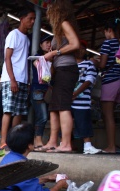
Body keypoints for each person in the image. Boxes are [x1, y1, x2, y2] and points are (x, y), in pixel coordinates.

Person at [0, 123, 71, 191]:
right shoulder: (22, 166)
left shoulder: (9, 158)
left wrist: (46, 178)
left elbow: (23, 183)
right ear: (29, 146)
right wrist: (60, 185)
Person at [40, 0, 80, 153]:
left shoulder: (64, 23)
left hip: (67, 69)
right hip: (60, 70)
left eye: (50, 11)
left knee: (63, 106)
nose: (48, 15)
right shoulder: (59, 29)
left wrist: (54, 52)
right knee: (54, 107)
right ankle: (52, 141)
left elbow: (75, 44)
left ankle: (66, 143)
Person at [0, 8, 36, 151]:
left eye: (34, 20)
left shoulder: (26, 38)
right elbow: (7, 58)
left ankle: (13, 141)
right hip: (11, 78)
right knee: (8, 110)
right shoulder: (13, 34)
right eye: (30, 18)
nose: (32, 22)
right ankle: (3, 141)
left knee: (18, 112)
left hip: (23, 80)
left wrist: (26, 81)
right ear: (22, 18)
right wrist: (13, 79)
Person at [72, 40, 101, 154]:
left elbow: (89, 80)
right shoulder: (69, 64)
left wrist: (75, 93)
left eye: (83, 48)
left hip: (82, 101)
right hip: (69, 100)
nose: (80, 50)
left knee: (83, 122)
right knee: (68, 124)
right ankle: (68, 145)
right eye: (78, 47)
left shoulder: (89, 64)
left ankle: (87, 145)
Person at [98, 19, 120, 154]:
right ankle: (113, 145)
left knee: (108, 115)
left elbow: (102, 64)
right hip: (119, 79)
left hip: (110, 80)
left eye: (105, 32)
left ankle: (111, 146)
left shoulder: (107, 43)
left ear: (109, 30)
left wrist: (94, 62)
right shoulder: (119, 43)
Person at [31, 34, 53, 149]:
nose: (49, 44)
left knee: (49, 116)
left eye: (50, 42)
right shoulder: (36, 57)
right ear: (40, 45)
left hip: (48, 90)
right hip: (38, 89)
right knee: (42, 116)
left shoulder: (53, 58)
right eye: (46, 42)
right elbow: (40, 68)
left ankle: (41, 140)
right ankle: (37, 139)